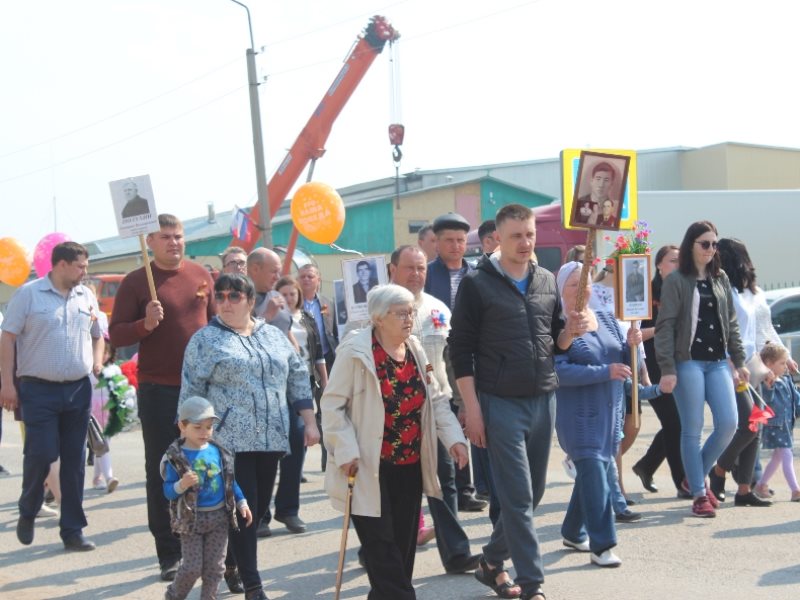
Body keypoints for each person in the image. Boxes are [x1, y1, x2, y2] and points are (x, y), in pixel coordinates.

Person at [449, 204, 588, 600]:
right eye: (516, 236)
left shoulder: (545, 280)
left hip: (544, 396)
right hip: (499, 401)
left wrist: (570, 333)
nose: (525, 243)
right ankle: (532, 584)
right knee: (518, 498)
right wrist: (472, 408)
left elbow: (555, 340)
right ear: (498, 238)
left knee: (535, 493)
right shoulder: (477, 284)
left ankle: (491, 562)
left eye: (529, 235)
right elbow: (461, 350)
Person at [322, 284, 468, 600]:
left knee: (402, 551)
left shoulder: (415, 348)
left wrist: (454, 439)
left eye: (410, 312)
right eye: (400, 313)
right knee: (381, 547)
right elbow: (332, 405)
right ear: (379, 317)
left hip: (410, 464)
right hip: (366, 465)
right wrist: (345, 449)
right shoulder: (355, 351)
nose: (408, 318)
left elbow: (437, 399)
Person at [180, 273, 319, 600]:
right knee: (245, 512)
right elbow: (191, 391)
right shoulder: (205, 340)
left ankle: (230, 563)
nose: (226, 302)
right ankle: (254, 586)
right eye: (221, 296)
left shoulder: (272, 335)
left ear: (250, 300)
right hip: (228, 443)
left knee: (252, 510)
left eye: (234, 296)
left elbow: (298, 377)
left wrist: (309, 422)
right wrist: (191, 440)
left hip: (271, 437)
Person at [110, 214, 216, 581]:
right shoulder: (136, 282)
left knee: (204, 467)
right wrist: (145, 325)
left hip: (200, 391)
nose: (174, 242)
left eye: (178, 236)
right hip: (158, 390)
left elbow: (216, 325)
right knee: (164, 469)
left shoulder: (201, 275)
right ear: (150, 242)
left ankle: (204, 544)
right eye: (165, 237)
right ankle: (168, 552)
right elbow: (117, 335)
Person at [1, 241, 104, 551]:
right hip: (37, 388)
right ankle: (28, 506)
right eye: (80, 266)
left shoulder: (86, 296)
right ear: (60, 265)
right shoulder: (29, 294)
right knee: (42, 454)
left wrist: (97, 362)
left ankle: (72, 530)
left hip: (77, 388)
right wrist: (6, 383)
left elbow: (98, 335)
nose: (85, 272)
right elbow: (7, 338)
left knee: (74, 463)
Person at [554, 262, 655, 568]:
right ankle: (603, 545)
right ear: (561, 291)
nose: (581, 289)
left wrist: (632, 346)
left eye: (584, 283)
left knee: (592, 473)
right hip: (579, 416)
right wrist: (604, 371)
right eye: (573, 284)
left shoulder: (607, 318)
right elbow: (558, 371)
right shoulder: (557, 324)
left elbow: (623, 361)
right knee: (596, 472)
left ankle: (573, 531)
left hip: (610, 414)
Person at [389, 245, 482, 573]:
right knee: (398, 492)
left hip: (437, 408)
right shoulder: (377, 310)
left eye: (421, 268)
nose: (416, 274)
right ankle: (381, 551)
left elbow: (454, 361)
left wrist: (465, 403)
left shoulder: (438, 309)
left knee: (445, 482)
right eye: (408, 268)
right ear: (392, 270)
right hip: (394, 417)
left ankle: (456, 554)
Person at [655, 220, 748, 518]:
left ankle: (694, 475)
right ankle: (698, 493)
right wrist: (667, 368)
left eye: (714, 244)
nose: (711, 249)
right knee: (692, 429)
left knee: (729, 423)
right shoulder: (676, 280)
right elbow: (665, 326)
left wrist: (740, 360)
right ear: (691, 246)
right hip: (688, 361)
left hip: (718, 361)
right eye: (705, 244)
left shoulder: (719, 279)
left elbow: (731, 324)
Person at [161, 396, 253, 600]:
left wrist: (242, 501)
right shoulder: (175, 457)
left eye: (209, 427)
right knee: (192, 567)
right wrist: (181, 484)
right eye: (198, 427)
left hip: (219, 518)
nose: (205, 432)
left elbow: (230, 481)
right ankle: (174, 595)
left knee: (215, 568)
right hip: (191, 520)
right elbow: (167, 491)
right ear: (182, 426)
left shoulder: (218, 451)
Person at [424, 212, 486, 513]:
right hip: (434, 359)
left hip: (469, 358)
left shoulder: (477, 274)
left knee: (466, 421)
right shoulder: (425, 275)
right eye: (449, 240)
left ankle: (467, 489)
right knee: (441, 424)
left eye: (461, 240)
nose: (456, 246)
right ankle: (442, 488)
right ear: (436, 242)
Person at [707, 238, 772, 507]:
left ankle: (744, 489)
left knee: (756, 423)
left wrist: (779, 361)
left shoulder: (751, 292)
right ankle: (719, 469)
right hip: (730, 365)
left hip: (751, 364)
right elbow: (723, 331)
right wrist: (732, 364)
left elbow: (764, 331)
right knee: (747, 423)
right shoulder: (724, 290)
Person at [633, 245, 689, 498]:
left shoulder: (683, 290)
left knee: (677, 422)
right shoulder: (647, 293)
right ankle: (682, 483)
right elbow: (634, 335)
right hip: (652, 367)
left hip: (679, 365)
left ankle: (646, 466)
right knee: (674, 423)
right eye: (672, 260)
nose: (678, 264)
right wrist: (663, 326)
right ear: (659, 265)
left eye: (680, 260)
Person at [297, 263, 338, 473]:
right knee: (305, 412)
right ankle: (299, 464)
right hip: (304, 363)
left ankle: (326, 459)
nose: (306, 280)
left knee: (327, 411)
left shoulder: (327, 303)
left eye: (310, 276)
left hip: (327, 361)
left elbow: (334, 331)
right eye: (302, 276)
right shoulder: (294, 304)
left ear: (318, 280)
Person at [754, 344, 800, 502]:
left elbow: (795, 399)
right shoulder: (765, 382)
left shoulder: (786, 379)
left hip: (787, 425)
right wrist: (769, 387)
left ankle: (761, 484)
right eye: (782, 363)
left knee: (777, 457)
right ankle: (795, 490)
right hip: (775, 426)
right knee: (786, 454)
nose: (785, 366)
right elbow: (765, 402)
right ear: (768, 363)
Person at [89, 337, 121, 494]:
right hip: (90, 414)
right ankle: (108, 477)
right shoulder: (87, 370)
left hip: (107, 412)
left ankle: (98, 478)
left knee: (102, 445)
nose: (102, 355)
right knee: (98, 445)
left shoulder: (114, 369)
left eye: (106, 352)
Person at [576, 161, 617, 226]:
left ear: (611, 184)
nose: (601, 185)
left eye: (606, 180)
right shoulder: (578, 204)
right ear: (591, 181)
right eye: (598, 179)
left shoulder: (615, 211)